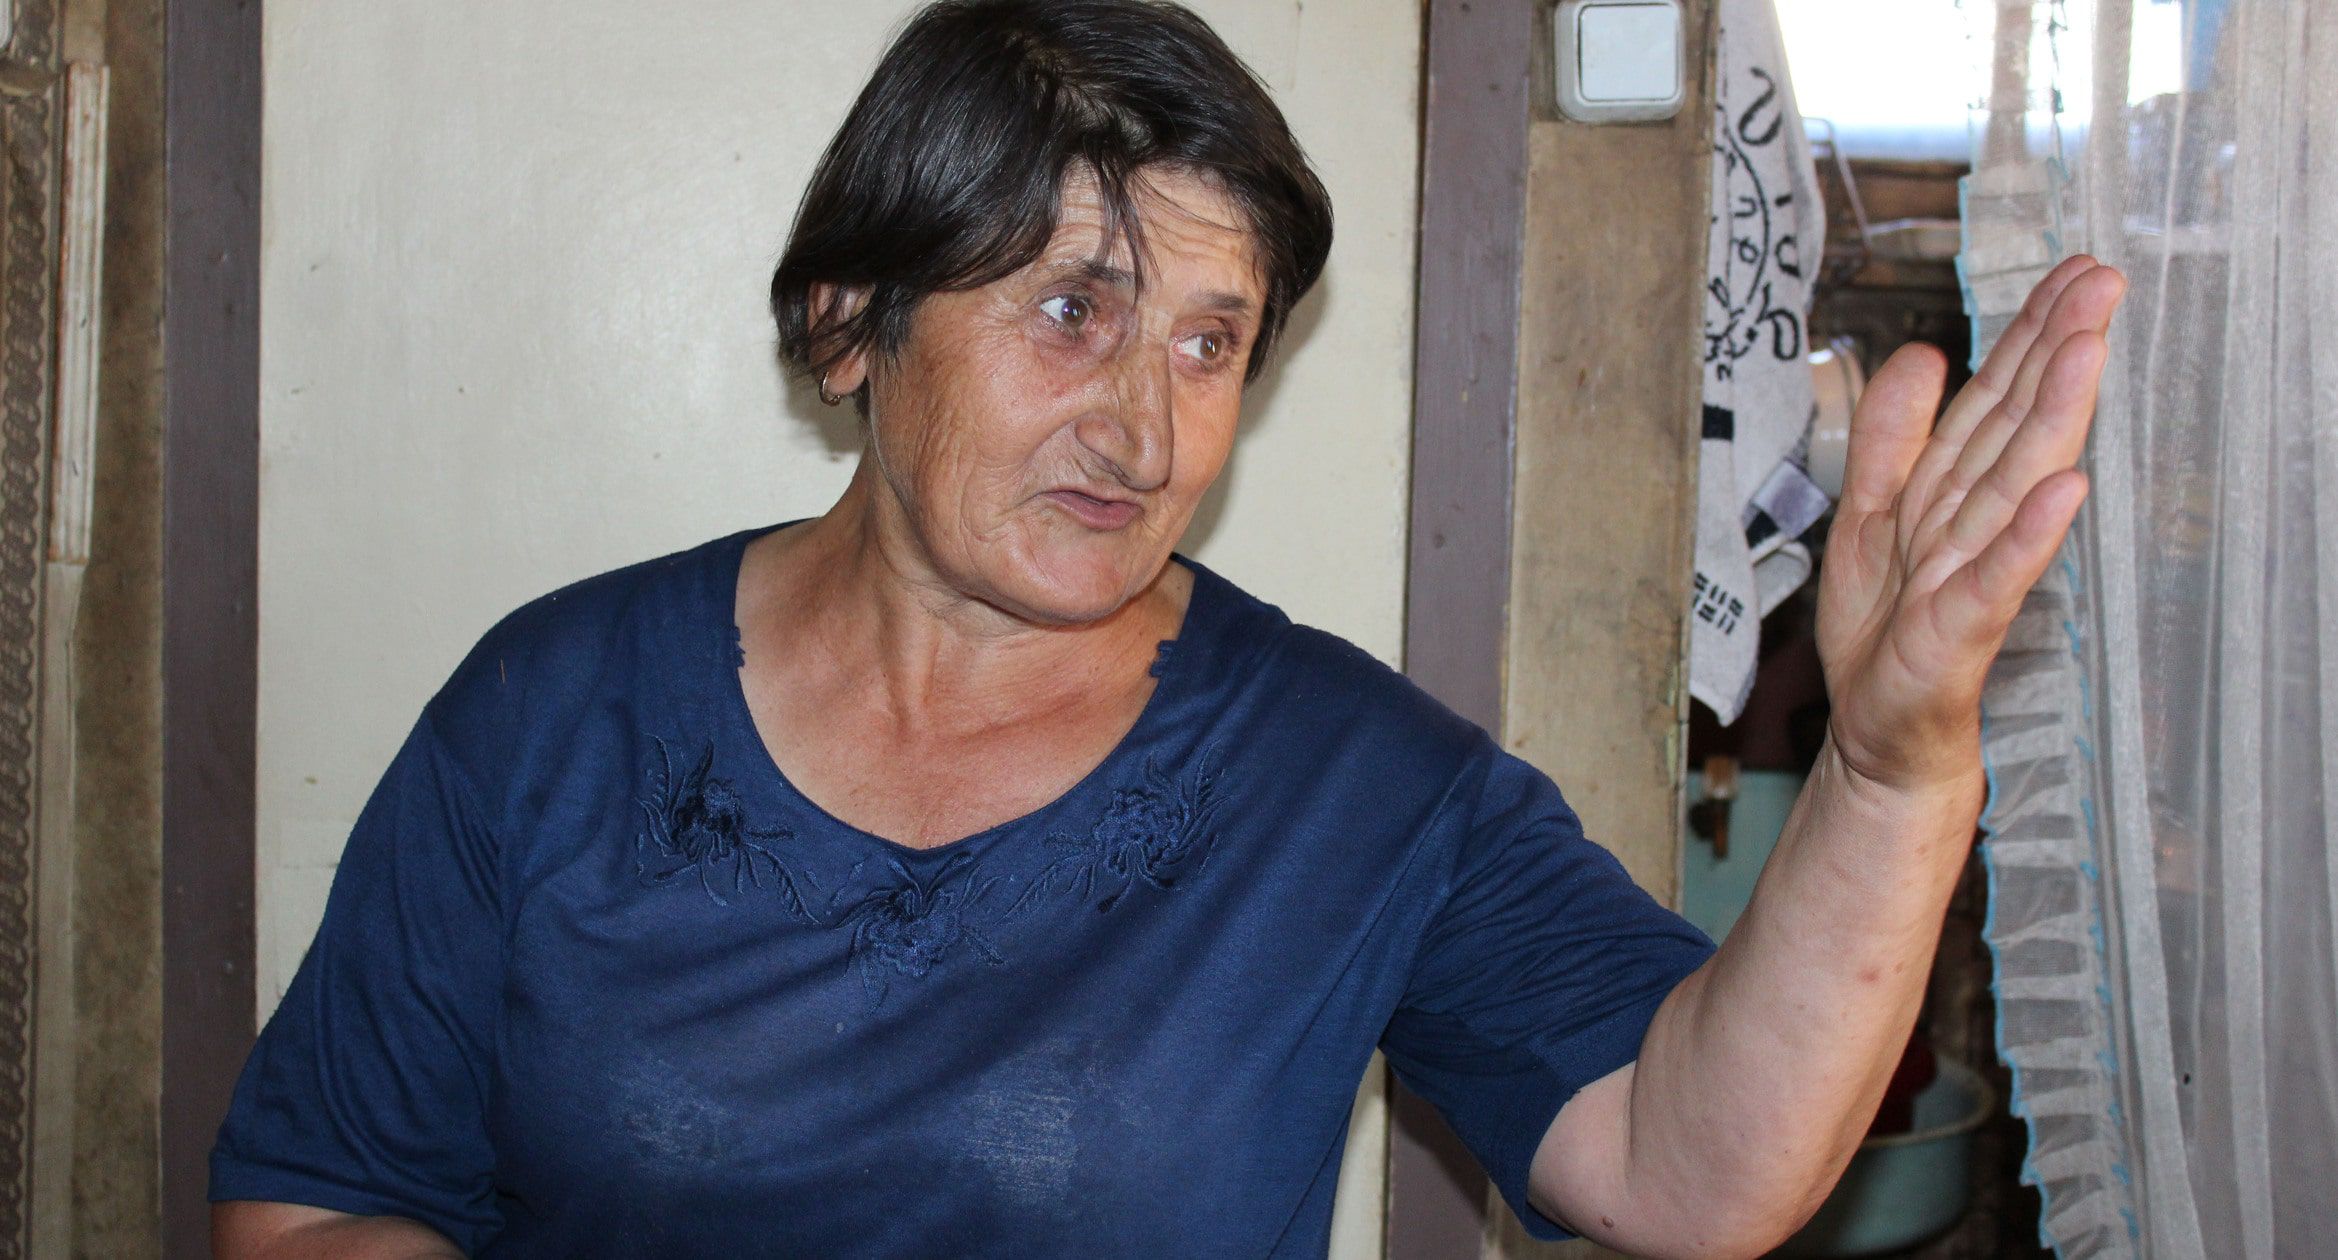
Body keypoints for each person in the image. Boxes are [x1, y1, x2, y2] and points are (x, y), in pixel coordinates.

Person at [209, 1, 2127, 1256]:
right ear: (848, 323)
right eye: (1073, 312)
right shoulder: (555, 711)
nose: (1145, 432)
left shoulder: (1349, 786)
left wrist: (1891, 773)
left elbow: (1693, 1172)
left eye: (1211, 344)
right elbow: (314, 1200)